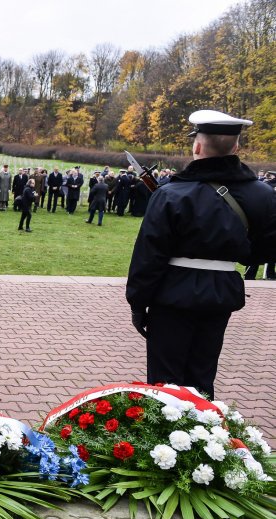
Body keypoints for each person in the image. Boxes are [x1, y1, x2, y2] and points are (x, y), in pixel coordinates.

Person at [126, 110, 276, 400]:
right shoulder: (262, 194)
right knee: (202, 378)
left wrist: (138, 303)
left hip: (172, 294)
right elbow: (265, 250)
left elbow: (149, 255)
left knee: (165, 386)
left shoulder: (172, 194)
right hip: (220, 294)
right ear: (235, 148)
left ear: (197, 146)